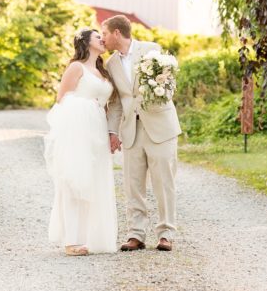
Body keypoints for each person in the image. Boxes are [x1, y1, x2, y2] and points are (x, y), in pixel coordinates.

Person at [101, 15, 181, 252]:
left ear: (117, 33)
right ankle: (136, 234)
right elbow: (115, 102)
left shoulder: (152, 50)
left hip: (161, 127)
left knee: (164, 182)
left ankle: (166, 233)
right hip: (131, 131)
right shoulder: (111, 64)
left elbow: (168, 83)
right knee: (132, 184)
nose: (103, 38)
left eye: (104, 33)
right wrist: (112, 131)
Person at [44, 28, 118, 255]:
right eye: (98, 37)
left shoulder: (102, 72)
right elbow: (62, 99)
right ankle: (72, 241)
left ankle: (90, 238)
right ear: (86, 42)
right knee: (75, 180)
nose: (102, 40)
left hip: (97, 129)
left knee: (94, 181)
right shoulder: (77, 67)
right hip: (78, 129)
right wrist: (88, 106)